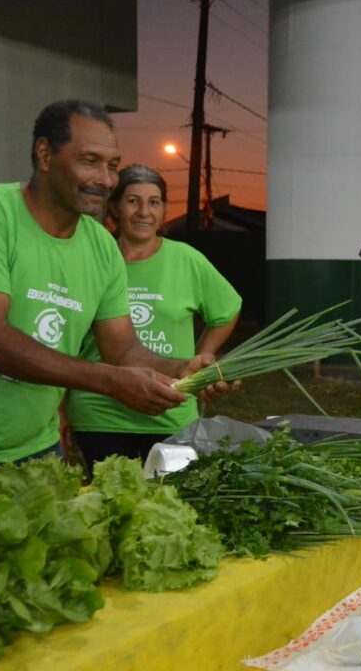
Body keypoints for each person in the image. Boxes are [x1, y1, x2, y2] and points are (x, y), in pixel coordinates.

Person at [0, 100, 229, 480]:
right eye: (89, 161)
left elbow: (123, 349)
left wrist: (182, 367)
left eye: (112, 165)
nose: (106, 179)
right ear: (45, 155)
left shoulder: (100, 247)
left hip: (34, 452)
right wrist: (110, 382)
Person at [62, 164, 242, 466]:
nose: (143, 211)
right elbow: (66, 339)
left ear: (163, 211)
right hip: (99, 412)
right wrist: (60, 407)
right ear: (115, 208)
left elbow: (227, 309)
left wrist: (200, 360)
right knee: (108, 504)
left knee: (170, 505)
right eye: (133, 201)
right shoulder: (92, 260)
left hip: (170, 410)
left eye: (154, 202)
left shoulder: (186, 259)